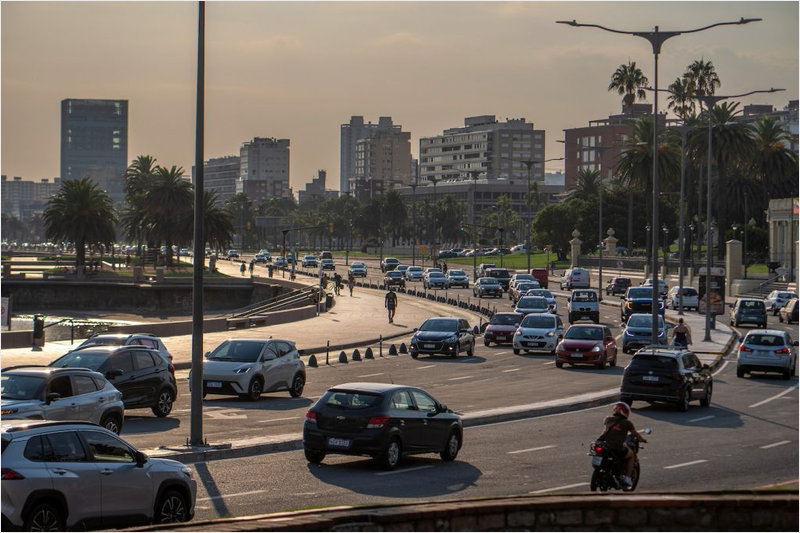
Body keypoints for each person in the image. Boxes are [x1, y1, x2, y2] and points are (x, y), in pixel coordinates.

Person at [601, 402, 647, 488]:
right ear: (625, 412)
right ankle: (628, 478)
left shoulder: (608, 419)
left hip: (605, 445)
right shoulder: (627, 422)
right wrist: (642, 439)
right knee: (632, 455)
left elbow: (606, 431)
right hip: (617, 447)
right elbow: (635, 433)